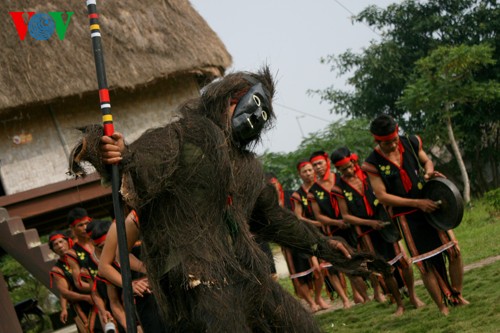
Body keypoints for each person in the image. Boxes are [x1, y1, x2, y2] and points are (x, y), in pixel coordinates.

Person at [69, 67, 388, 332]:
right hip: (192, 278)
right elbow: (139, 163)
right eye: (243, 102)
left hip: (241, 272)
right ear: (225, 100)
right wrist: (110, 151)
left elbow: (274, 218)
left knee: (301, 326)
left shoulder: (248, 168)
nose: (253, 116)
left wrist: (326, 248)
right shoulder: (184, 136)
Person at [362, 114, 468, 315]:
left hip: (432, 205)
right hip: (407, 216)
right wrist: (417, 203)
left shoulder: (410, 143)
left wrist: (429, 173)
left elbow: (427, 161)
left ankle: (457, 295)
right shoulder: (372, 163)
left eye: (394, 140)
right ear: (377, 140)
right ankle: (442, 307)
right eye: (386, 143)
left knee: (454, 251)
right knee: (425, 263)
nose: (393, 145)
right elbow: (382, 196)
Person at [331, 147, 424, 315]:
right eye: (343, 169)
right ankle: (399, 304)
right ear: (338, 170)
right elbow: (346, 216)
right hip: (366, 234)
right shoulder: (338, 188)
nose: (349, 171)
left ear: (354, 160)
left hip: (386, 225)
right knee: (384, 268)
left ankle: (412, 296)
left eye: (350, 166)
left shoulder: (369, 174)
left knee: (403, 262)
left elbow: (384, 193)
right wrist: (370, 222)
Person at [308, 150, 369, 307]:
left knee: (364, 258)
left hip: (354, 227)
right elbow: (318, 216)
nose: (317, 167)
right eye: (314, 165)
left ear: (327, 163)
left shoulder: (340, 179)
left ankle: (377, 291)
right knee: (348, 265)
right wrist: (337, 223)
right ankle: (364, 298)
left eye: (319, 163)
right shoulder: (313, 191)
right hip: (334, 233)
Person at [287, 159, 330, 312]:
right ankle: (312, 302)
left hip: (326, 230)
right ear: (300, 174)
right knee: (314, 268)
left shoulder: (323, 187)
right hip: (307, 233)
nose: (308, 173)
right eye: (304, 171)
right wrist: (317, 223)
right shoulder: (298, 194)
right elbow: (298, 217)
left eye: (310, 170)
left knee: (323, 268)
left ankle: (319, 297)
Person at [48, 231, 94, 332]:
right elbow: (64, 291)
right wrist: (85, 298)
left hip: (100, 294)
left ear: (68, 241)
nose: (59, 246)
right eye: (55, 245)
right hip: (81, 305)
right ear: (53, 250)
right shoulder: (58, 269)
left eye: (61, 242)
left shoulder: (82, 254)